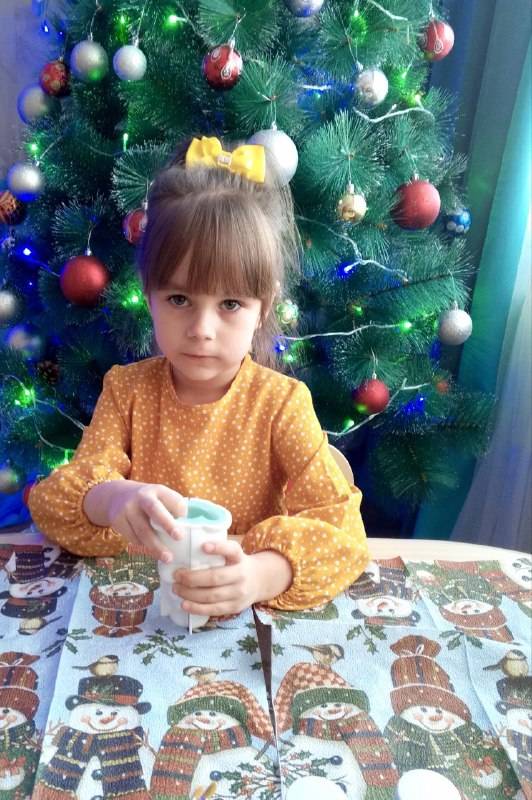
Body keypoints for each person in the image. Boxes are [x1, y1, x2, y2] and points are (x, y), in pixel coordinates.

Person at [29, 135, 369, 614]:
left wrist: (261, 575)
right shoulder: (127, 391)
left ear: (263, 307)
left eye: (230, 303)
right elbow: (52, 504)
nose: (202, 330)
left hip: (243, 620)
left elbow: (344, 534)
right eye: (179, 299)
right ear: (149, 295)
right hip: (137, 614)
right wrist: (111, 499)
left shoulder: (281, 404)